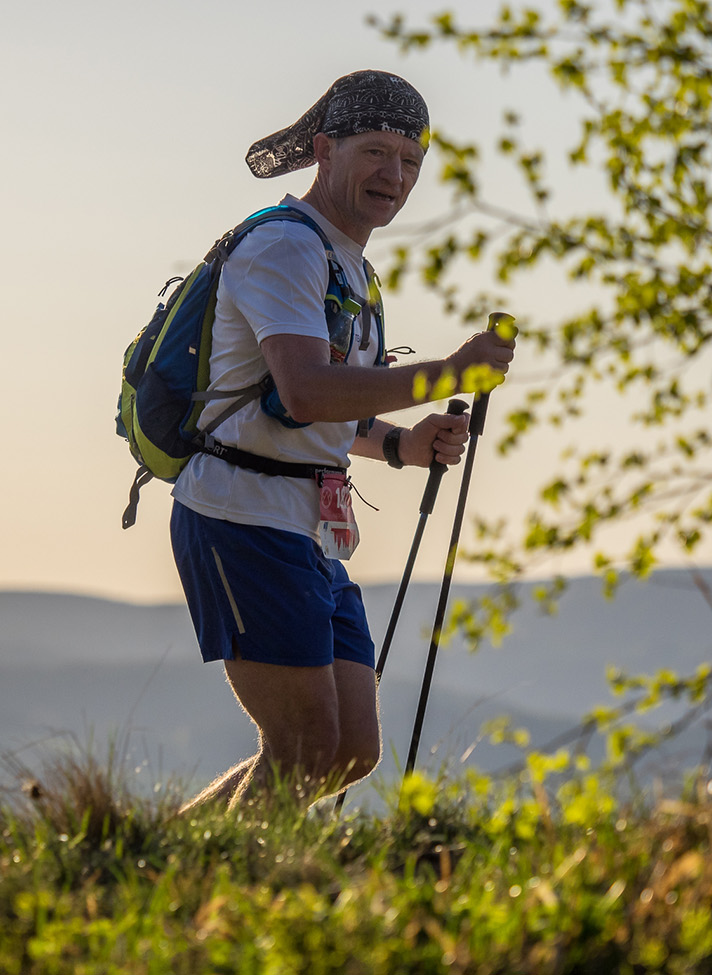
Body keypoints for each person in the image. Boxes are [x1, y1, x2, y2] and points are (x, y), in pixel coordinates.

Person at [170, 70, 515, 812]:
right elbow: (307, 390)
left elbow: (316, 405)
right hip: (241, 516)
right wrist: (448, 374)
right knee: (302, 746)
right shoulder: (285, 247)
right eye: (376, 152)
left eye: (411, 160)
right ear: (325, 150)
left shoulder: (347, 265)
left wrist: (400, 446)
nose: (395, 175)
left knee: (350, 749)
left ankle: (167, 852)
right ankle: (187, 877)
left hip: (309, 528)